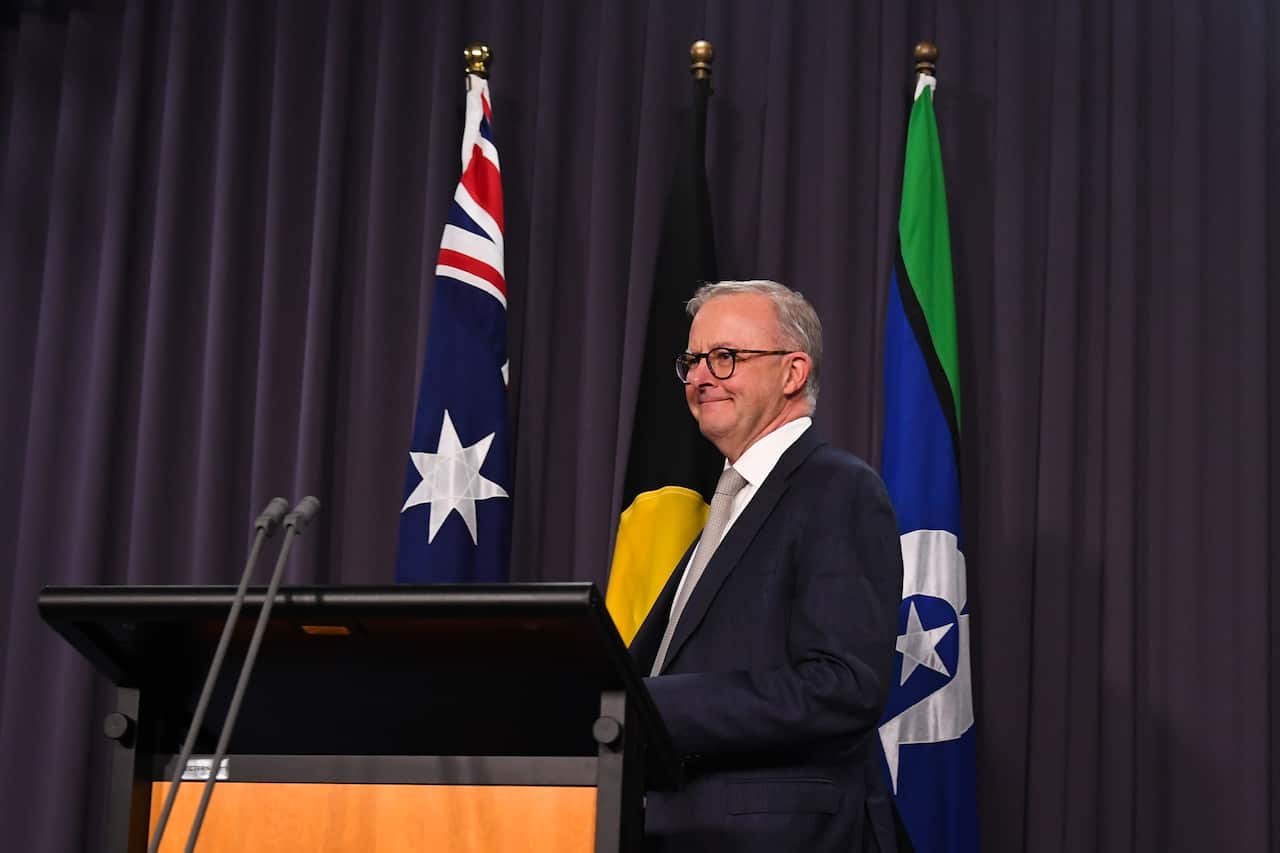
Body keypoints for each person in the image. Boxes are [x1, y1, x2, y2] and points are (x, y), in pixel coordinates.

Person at [630, 280, 903, 852]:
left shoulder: (838, 489)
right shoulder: (730, 504)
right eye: (693, 360)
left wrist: (649, 704)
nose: (701, 377)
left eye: (725, 358)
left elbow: (843, 685)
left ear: (792, 372)